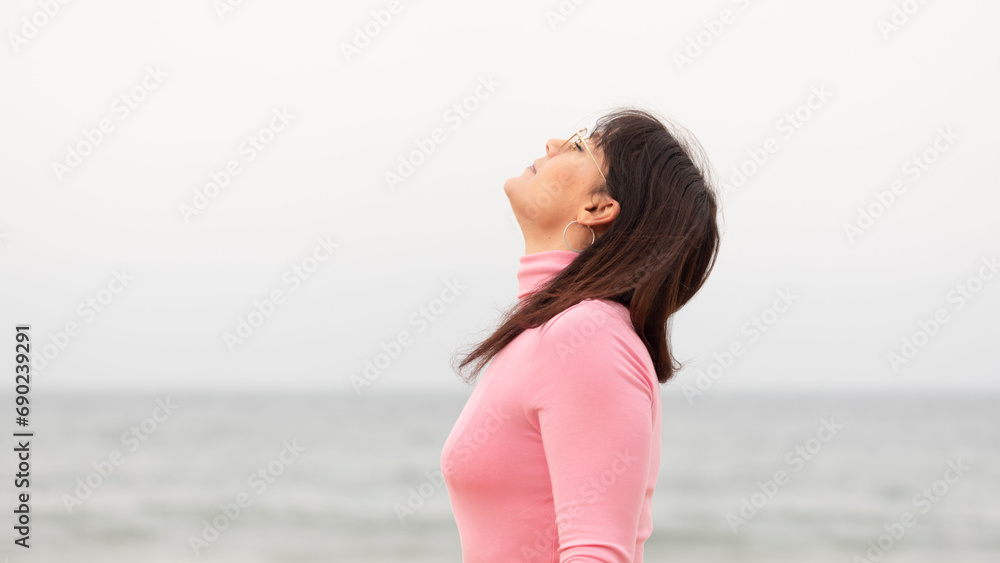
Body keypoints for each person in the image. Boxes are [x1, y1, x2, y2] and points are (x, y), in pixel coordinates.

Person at [441, 107, 722, 562]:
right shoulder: (549, 333)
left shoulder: (585, 337)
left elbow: (597, 553)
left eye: (576, 146)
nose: (551, 143)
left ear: (597, 208)